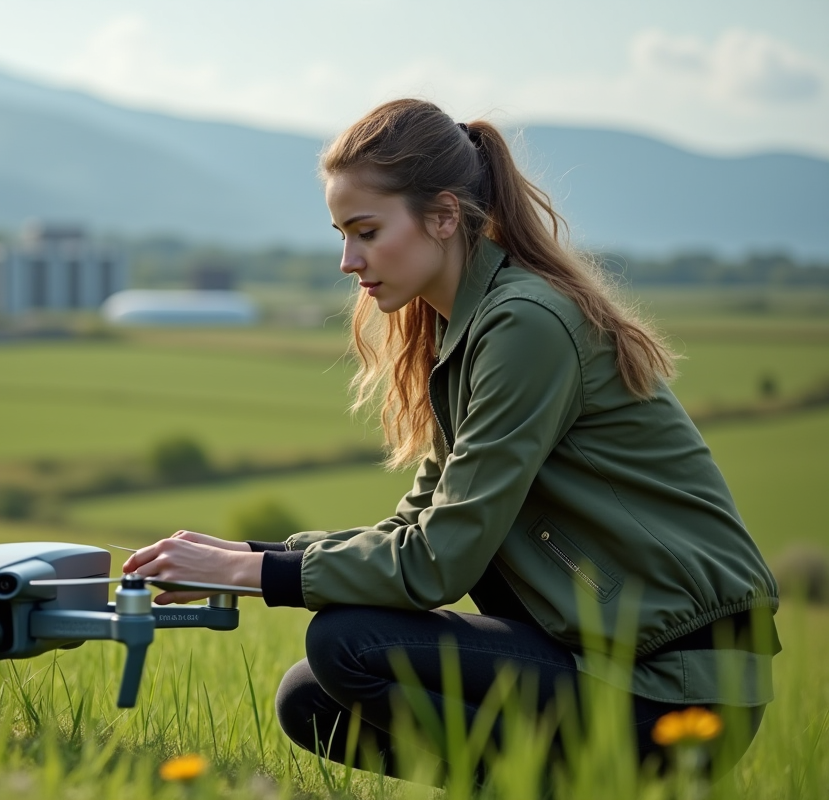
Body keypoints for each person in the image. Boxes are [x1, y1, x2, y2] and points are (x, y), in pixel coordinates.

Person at [121, 99, 779, 779]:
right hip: (611, 658)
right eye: (341, 235)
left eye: (367, 231)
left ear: (441, 216)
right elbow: (420, 523)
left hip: (678, 685)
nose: (349, 261)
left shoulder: (525, 326)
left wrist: (247, 575)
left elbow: (439, 561)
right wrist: (253, 555)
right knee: (311, 700)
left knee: (349, 644)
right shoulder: (465, 332)